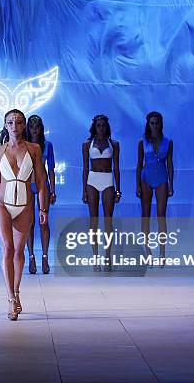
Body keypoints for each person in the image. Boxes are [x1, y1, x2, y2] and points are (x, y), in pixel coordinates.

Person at [0, 109, 48, 321]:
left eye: (19, 122)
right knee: (7, 248)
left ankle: (16, 292)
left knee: (18, 252)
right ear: (5, 125)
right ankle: (10, 300)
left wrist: (43, 209)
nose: (15, 126)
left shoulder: (34, 149)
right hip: (1, 203)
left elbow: (41, 181)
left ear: (24, 125)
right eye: (10, 122)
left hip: (25, 204)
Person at [82, 114, 121, 271]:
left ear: (107, 127)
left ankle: (107, 256)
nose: (101, 128)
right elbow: (85, 168)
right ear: (94, 127)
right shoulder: (87, 144)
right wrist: (84, 189)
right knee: (93, 221)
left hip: (108, 180)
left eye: (103, 125)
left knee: (108, 221)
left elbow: (116, 168)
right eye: (98, 125)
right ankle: (95, 257)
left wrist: (119, 189)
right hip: (92, 179)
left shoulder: (114, 144)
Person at [136, 111, 174, 263]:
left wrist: (171, 184)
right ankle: (148, 251)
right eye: (152, 123)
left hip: (161, 178)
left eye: (157, 122)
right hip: (146, 178)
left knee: (161, 216)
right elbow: (139, 164)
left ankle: (162, 253)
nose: (155, 125)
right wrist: (137, 184)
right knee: (145, 216)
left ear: (161, 123)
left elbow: (170, 164)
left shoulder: (168, 142)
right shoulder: (142, 142)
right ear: (148, 124)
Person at [25, 115, 56, 274]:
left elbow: (51, 169)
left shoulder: (47, 145)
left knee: (44, 222)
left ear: (41, 128)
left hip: (43, 184)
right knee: (29, 223)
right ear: (28, 128)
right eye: (31, 126)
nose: (34, 129)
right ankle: (31, 257)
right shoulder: (24, 145)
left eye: (37, 126)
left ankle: (45, 257)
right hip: (27, 185)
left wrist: (54, 190)